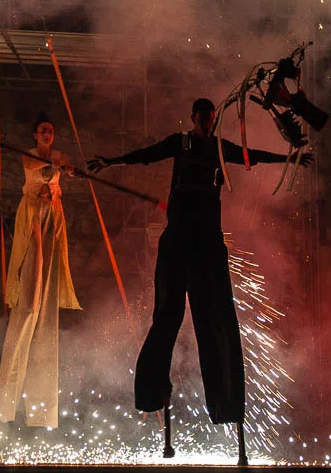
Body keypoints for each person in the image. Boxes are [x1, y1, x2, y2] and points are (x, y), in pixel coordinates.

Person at [89, 98, 312, 432]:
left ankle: (227, 402)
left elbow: (250, 157)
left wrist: (288, 158)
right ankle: (152, 391)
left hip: (207, 241)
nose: (207, 123)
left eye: (211, 119)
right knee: (167, 312)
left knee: (218, 317)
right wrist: (112, 161)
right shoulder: (180, 143)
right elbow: (147, 155)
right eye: (203, 118)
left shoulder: (221, 149)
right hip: (179, 238)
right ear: (193, 117)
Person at [0, 115, 82, 428]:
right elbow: (40, 170)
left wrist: (67, 169)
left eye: (50, 130)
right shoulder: (32, 156)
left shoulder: (60, 157)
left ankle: (43, 412)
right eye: (42, 129)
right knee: (29, 302)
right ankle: (6, 405)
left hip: (51, 216)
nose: (46, 133)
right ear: (35, 133)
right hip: (32, 215)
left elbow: (60, 172)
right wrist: (61, 168)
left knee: (45, 307)